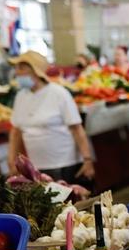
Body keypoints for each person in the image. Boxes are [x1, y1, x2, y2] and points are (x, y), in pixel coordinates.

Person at [7, 50, 95, 186]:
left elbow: (77, 129)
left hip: (64, 166)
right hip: (36, 168)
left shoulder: (59, 93)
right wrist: (12, 160)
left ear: (36, 71)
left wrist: (87, 160)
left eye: (22, 68)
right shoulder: (21, 96)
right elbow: (16, 132)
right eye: (16, 68)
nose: (17, 72)